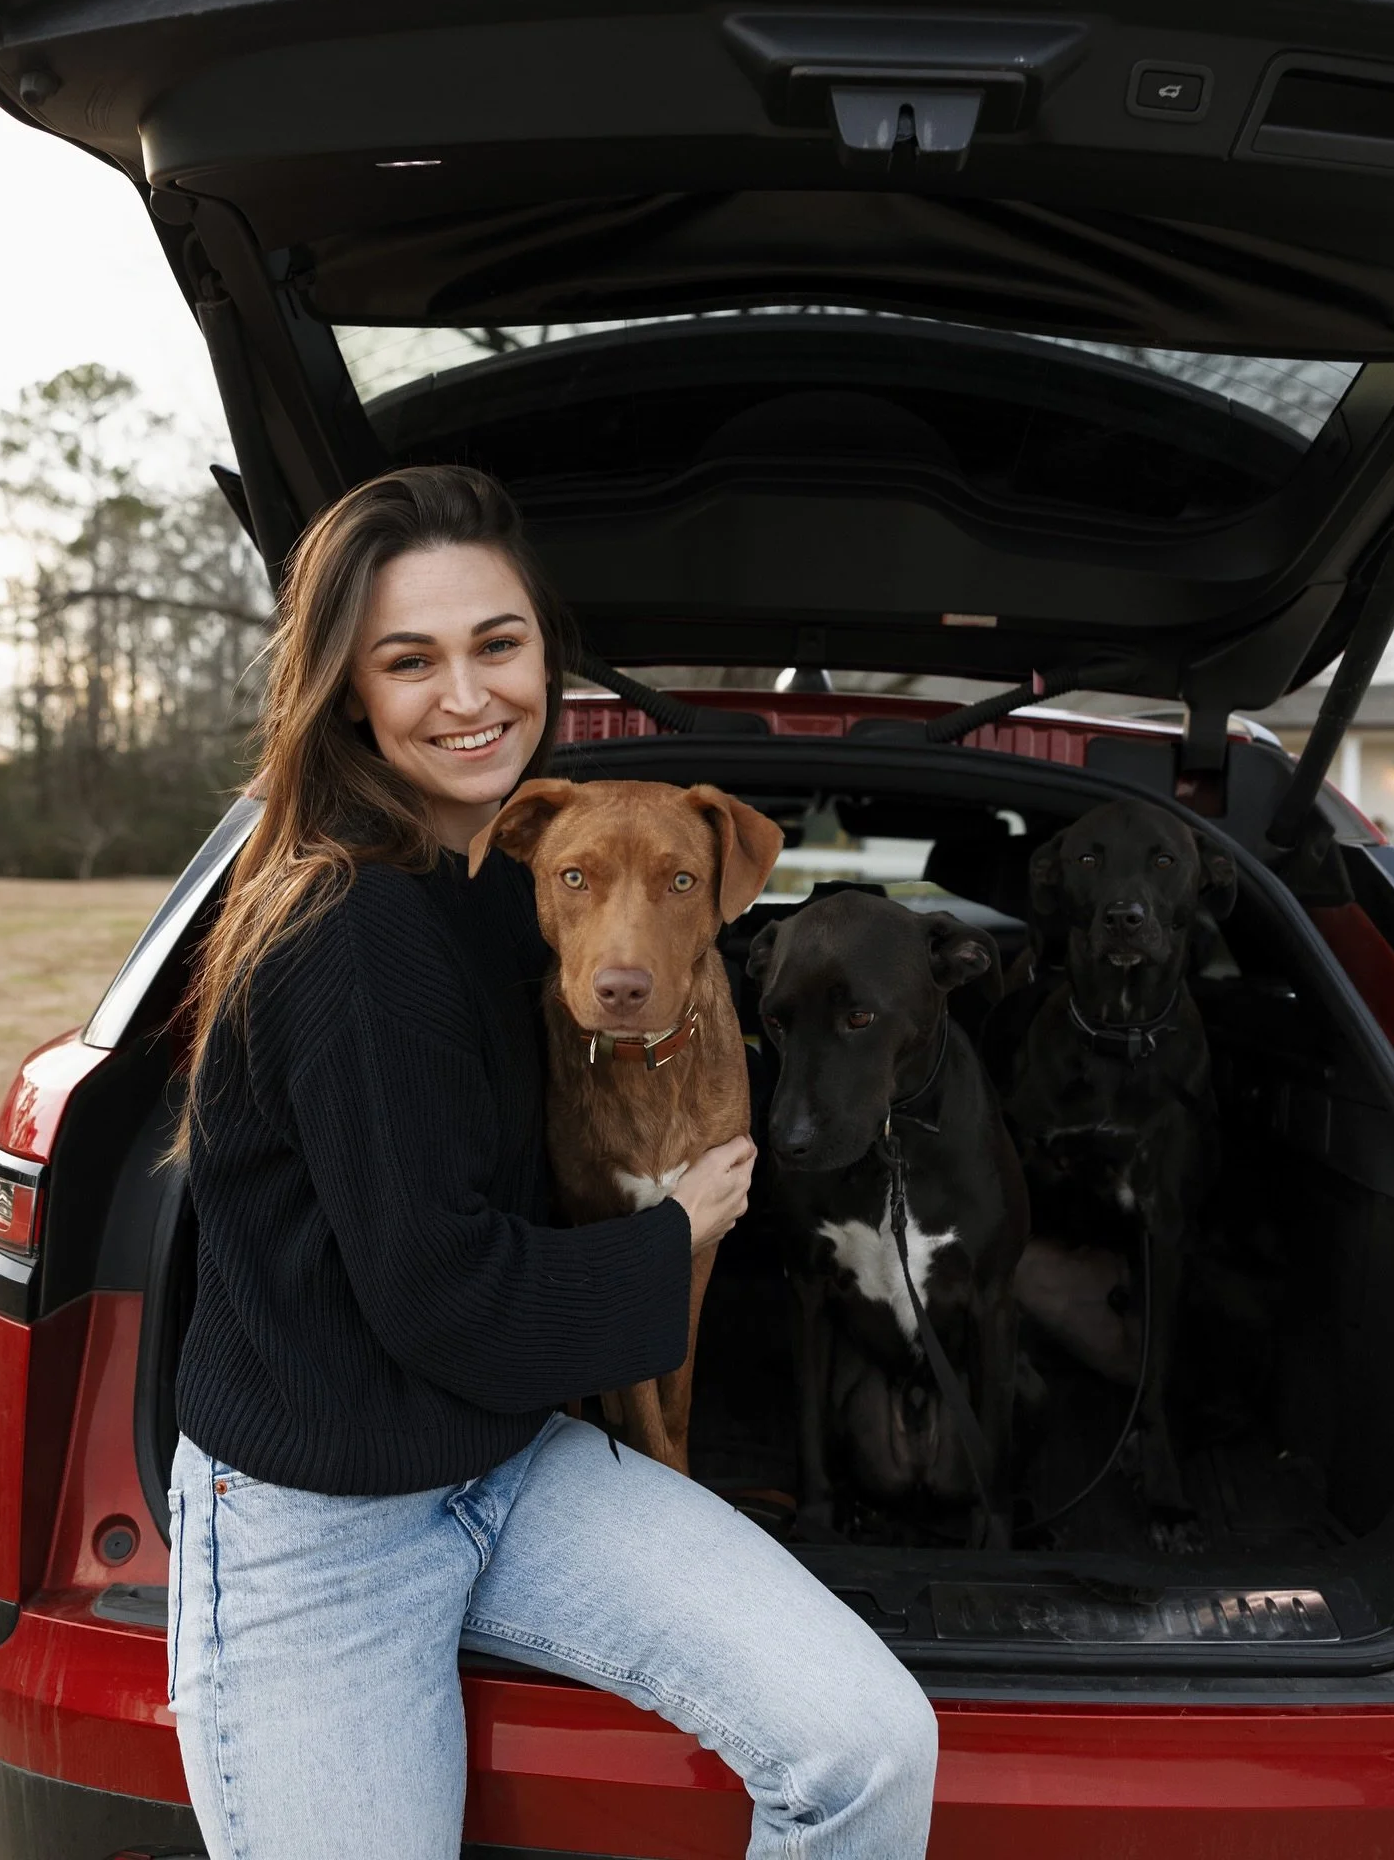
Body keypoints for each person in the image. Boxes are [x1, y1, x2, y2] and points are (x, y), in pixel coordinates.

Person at [166, 464, 939, 1858]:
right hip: (323, 1528)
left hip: (515, 1458)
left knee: (866, 1749)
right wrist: (679, 1230)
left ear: (546, 657)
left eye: (497, 645)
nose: (468, 696)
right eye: (411, 660)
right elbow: (442, 1295)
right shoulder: (353, 937)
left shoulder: (517, 885)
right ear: (350, 689)